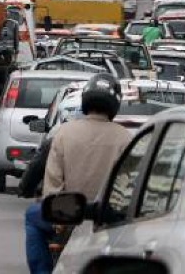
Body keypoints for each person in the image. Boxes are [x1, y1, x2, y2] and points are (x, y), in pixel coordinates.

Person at [24, 74, 132, 274]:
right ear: (115, 105)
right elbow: (128, 185)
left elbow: (53, 185)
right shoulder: (125, 137)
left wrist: (58, 223)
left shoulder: (64, 133)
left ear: (85, 99)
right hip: (107, 217)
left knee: (32, 216)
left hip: (69, 212)